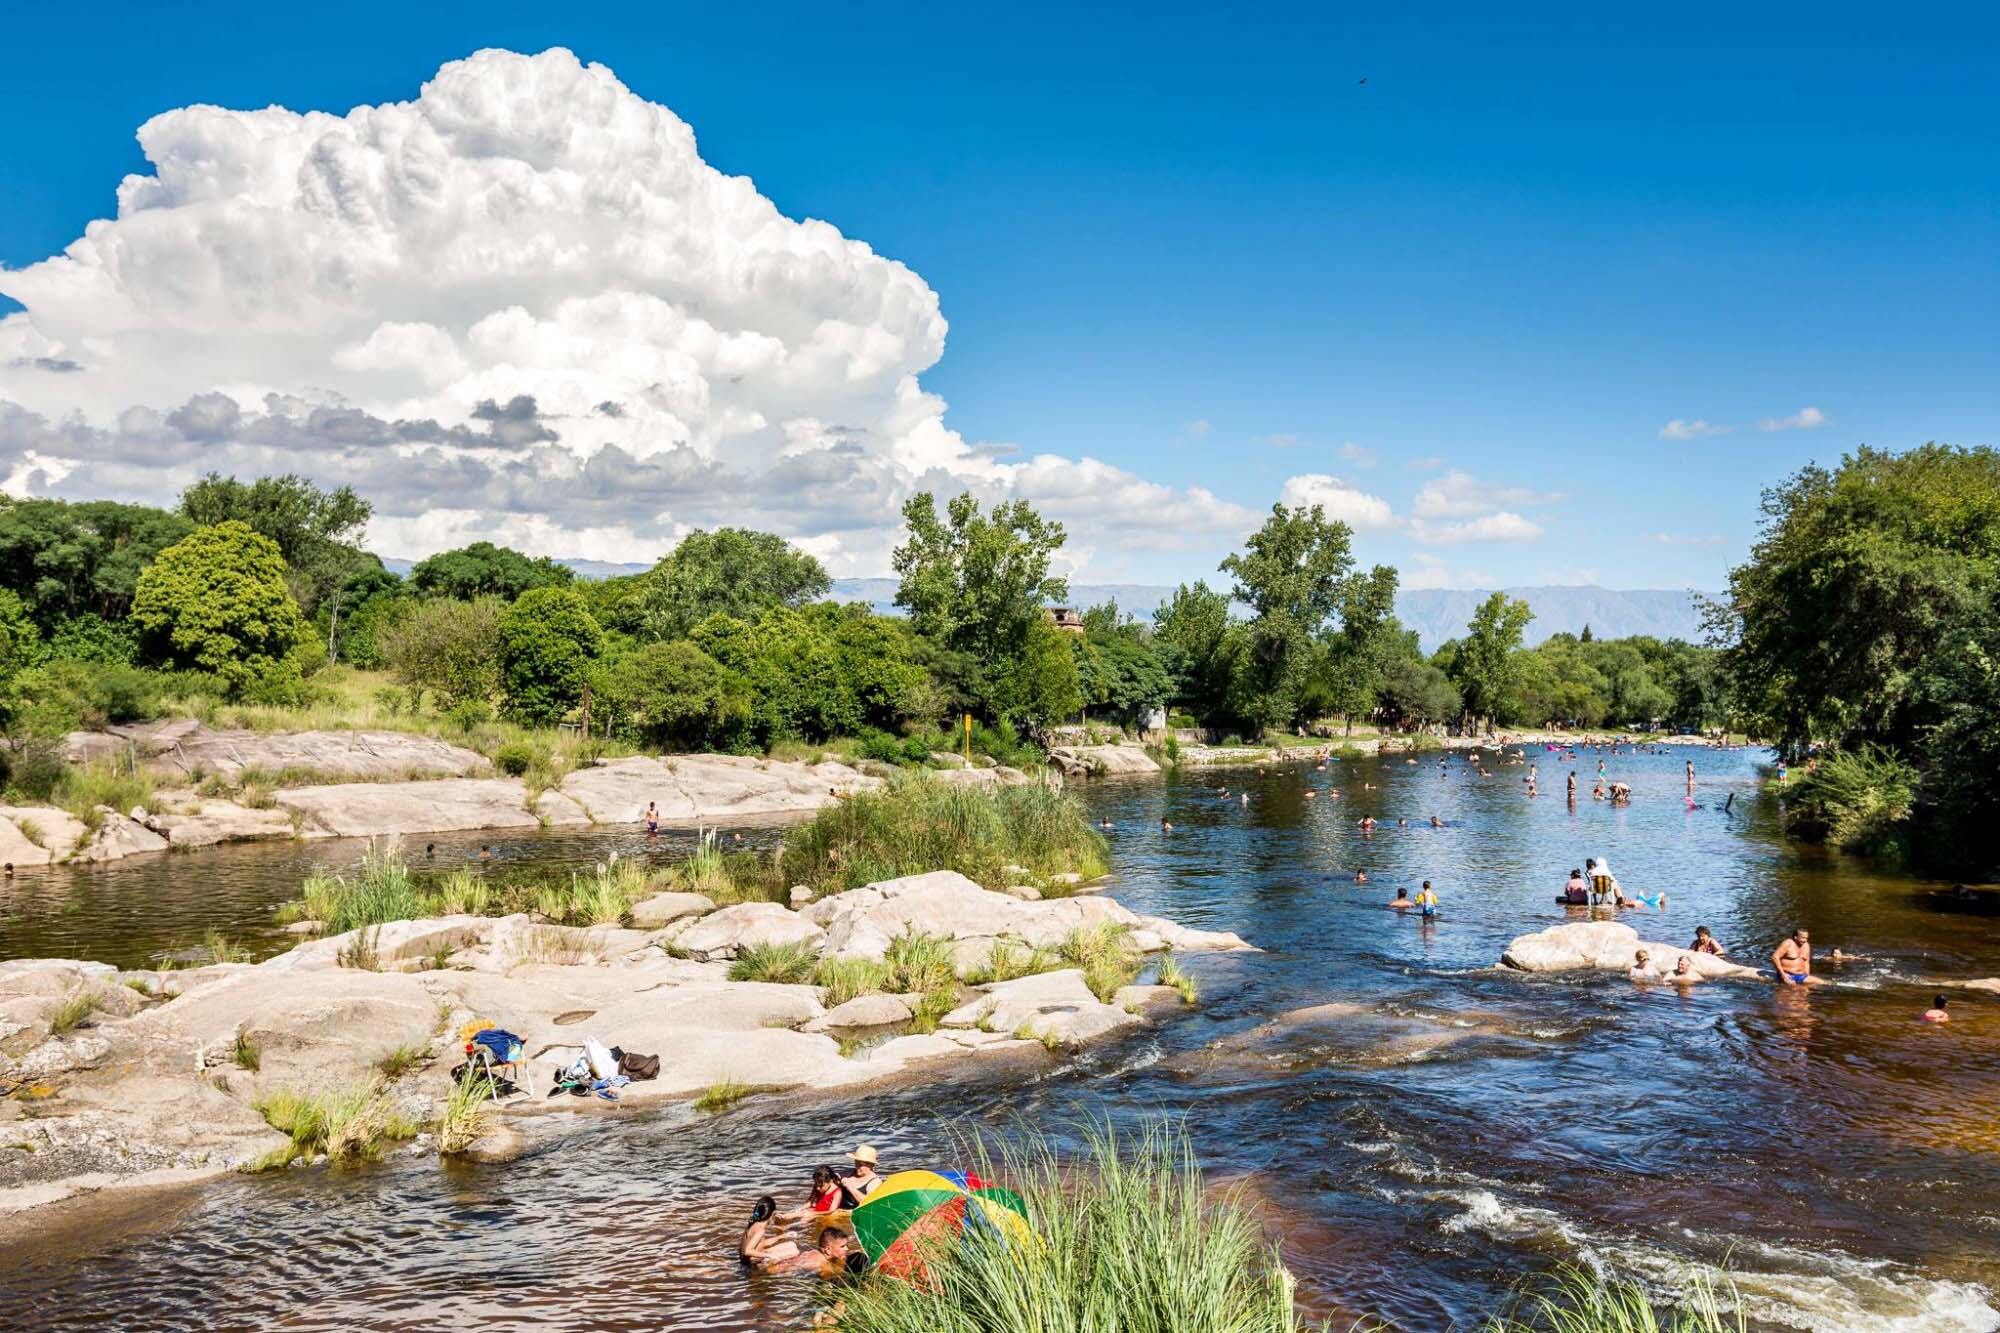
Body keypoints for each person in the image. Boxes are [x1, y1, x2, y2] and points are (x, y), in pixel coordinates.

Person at [781, 1165, 852, 1219]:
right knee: (797, 1213)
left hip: (823, 1214)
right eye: (816, 1185)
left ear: (830, 1181)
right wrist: (800, 1208)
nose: (818, 1188)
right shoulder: (818, 1185)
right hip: (816, 1210)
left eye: (821, 1186)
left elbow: (831, 1210)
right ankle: (782, 1217)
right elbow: (810, 1202)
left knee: (802, 1220)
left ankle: (790, 1231)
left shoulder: (837, 1192)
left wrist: (813, 1214)